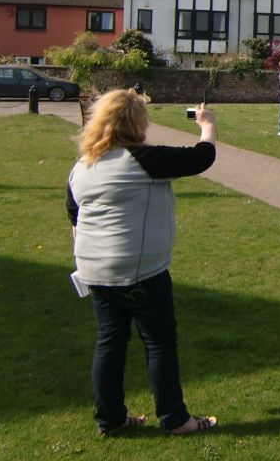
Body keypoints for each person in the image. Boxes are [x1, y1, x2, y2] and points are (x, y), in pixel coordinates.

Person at [65, 89, 218, 436]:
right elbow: (201, 157)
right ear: (135, 124)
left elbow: (74, 217)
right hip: (139, 271)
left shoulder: (83, 165)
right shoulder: (142, 159)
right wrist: (207, 125)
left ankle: (111, 419)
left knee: (110, 341)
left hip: (94, 270)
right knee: (159, 342)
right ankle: (176, 419)